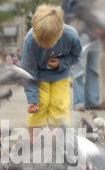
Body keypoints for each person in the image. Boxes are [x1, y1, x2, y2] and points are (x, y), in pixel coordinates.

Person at [20, 4, 82, 143]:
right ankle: (33, 146)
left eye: (47, 43)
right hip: (38, 76)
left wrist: (62, 63)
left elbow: (76, 56)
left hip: (61, 75)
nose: (44, 47)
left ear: (59, 33)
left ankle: (55, 147)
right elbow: (28, 71)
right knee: (39, 107)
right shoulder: (30, 40)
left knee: (58, 107)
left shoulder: (71, 36)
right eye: (40, 42)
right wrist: (32, 99)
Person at [62, 0, 102, 112]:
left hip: (97, 33)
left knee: (94, 69)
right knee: (80, 69)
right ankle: (79, 102)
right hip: (81, 31)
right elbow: (67, 9)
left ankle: (92, 101)